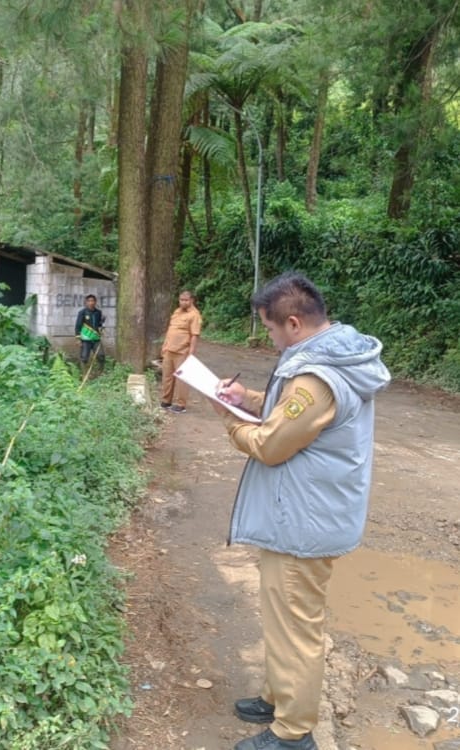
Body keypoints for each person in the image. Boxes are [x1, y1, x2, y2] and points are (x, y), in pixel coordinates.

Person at [213, 272, 389, 750]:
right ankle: (278, 697)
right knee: (283, 619)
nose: (269, 338)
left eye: (270, 328)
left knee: (296, 628)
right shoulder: (327, 359)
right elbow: (286, 411)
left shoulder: (316, 378)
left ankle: (293, 733)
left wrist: (228, 418)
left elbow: (271, 445)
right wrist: (246, 399)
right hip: (301, 514)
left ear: (293, 323)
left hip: (303, 523)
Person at [160, 289, 202, 413]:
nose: (183, 302)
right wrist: (164, 345)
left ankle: (180, 404)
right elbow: (171, 330)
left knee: (181, 379)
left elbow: (194, 335)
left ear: (192, 300)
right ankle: (166, 401)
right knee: (167, 377)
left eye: (186, 300)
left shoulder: (194, 315)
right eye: (181, 300)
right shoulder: (177, 312)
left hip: (182, 351)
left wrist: (191, 353)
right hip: (169, 350)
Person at [74, 294, 106, 372]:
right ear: (86, 302)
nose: (91, 303)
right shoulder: (82, 312)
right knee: (84, 358)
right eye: (89, 301)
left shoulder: (98, 312)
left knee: (101, 355)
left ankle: (100, 372)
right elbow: (78, 325)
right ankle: (83, 373)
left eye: (93, 301)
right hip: (86, 339)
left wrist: (102, 324)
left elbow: (99, 325)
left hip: (96, 338)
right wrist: (78, 339)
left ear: (95, 302)